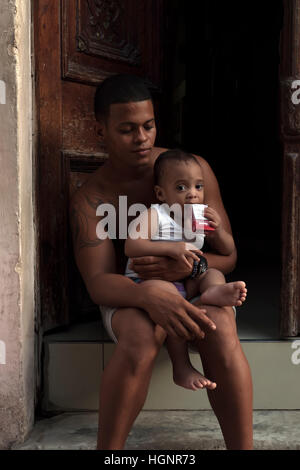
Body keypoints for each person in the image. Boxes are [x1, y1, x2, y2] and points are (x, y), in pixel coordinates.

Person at [70, 74, 253, 450]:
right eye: (126, 129)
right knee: (141, 333)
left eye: (149, 126)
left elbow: (228, 254)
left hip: (193, 286)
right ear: (100, 131)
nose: (142, 139)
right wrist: (150, 296)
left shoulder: (187, 172)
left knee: (216, 322)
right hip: (132, 293)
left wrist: (193, 269)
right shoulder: (92, 199)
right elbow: (99, 282)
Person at [124, 148, 247, 392]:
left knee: (212, 273)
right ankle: (180, 366)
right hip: (150, 281)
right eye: (181, 188)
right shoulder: (155, 215)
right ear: (161, 193)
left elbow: (227, 249)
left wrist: (219, 230)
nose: (192, 194)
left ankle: (212, 293)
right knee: (171, 299)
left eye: (198, 187)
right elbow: (132, 245)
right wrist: (172, 248)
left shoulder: (199, 217)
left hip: (185, 278)